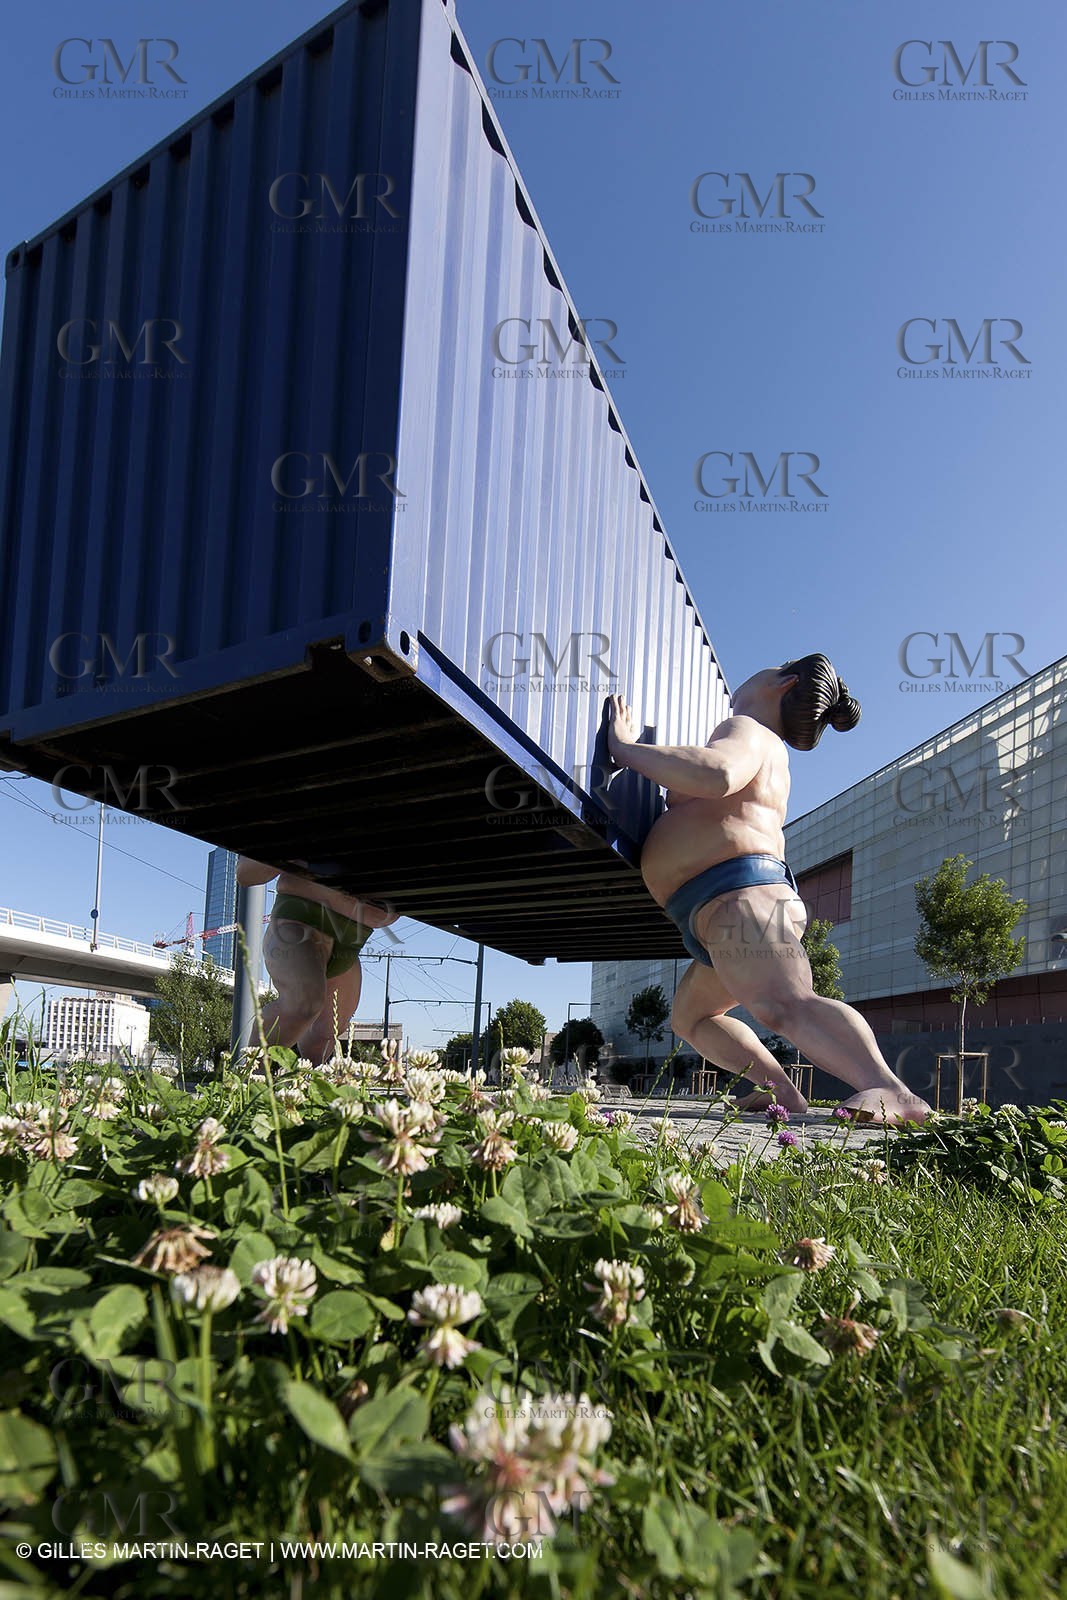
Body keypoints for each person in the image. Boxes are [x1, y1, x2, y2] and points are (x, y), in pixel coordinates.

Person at [606, 655, 931, 1125]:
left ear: (785, 681)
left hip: (742, 899)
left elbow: (717, 774)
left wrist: (624, 748)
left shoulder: (749, 730)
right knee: (691, 1019)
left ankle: (891, 1091)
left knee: (787, 1004)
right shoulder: (763, 744)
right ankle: (778, 1089)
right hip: (716, 913)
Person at [234, 857, 399, 1065]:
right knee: (302, 1003)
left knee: (328, 1030)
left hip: (352, 941)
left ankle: (308, 1085)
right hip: (299, 921)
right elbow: (245, 873)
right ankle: (250, 1077)